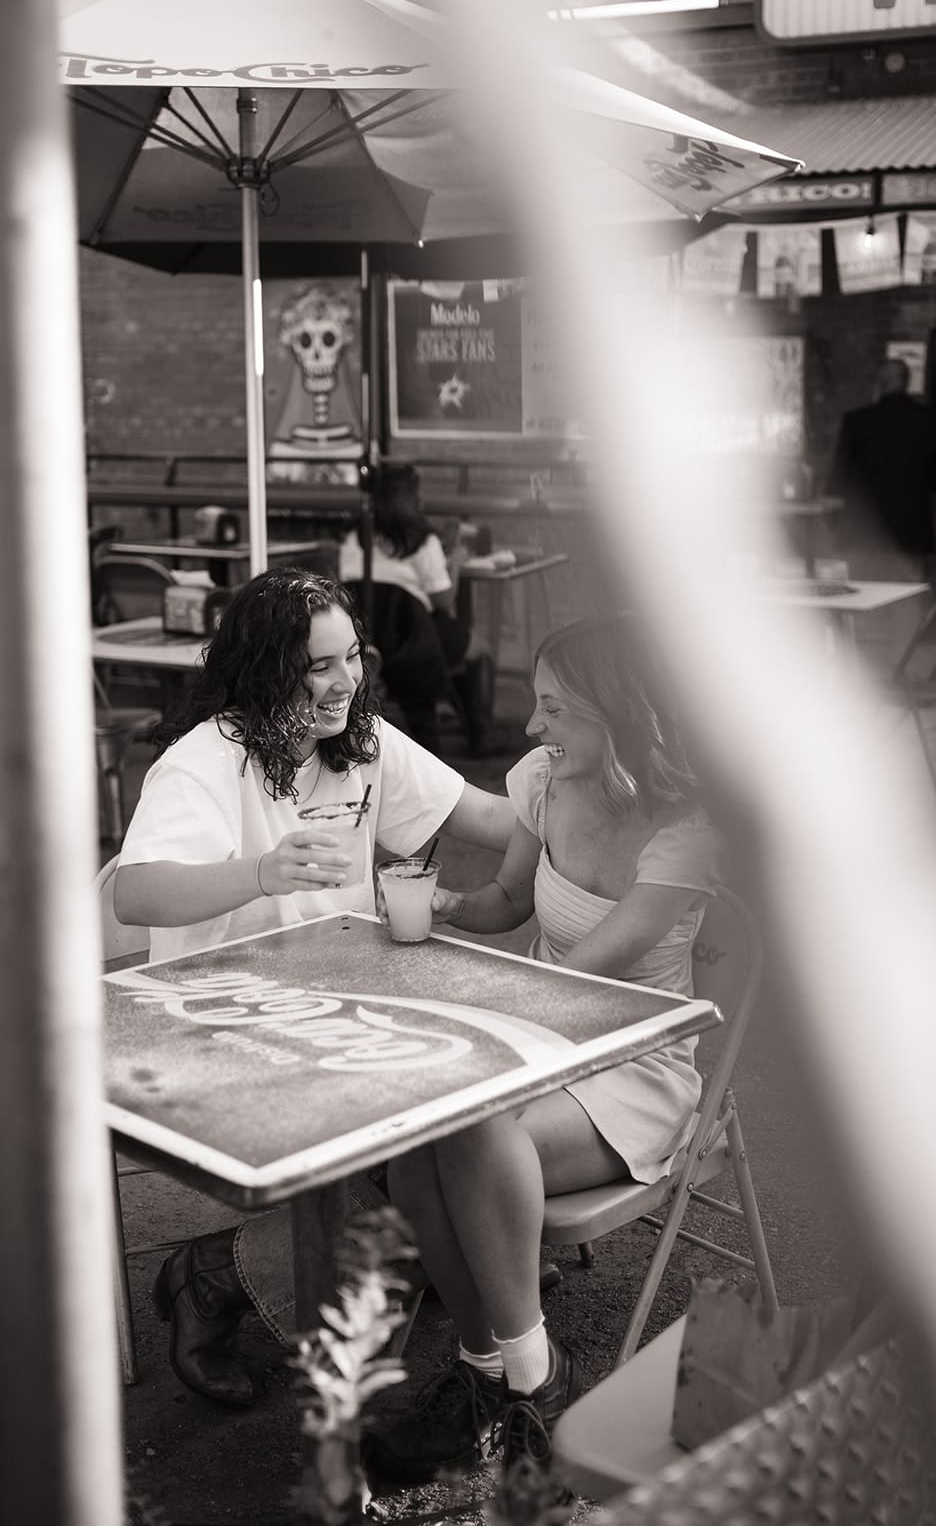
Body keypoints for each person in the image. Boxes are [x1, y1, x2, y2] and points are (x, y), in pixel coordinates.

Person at [114, 567, 515, 1406]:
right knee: (423, 1138)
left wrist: (598, 794)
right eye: (319, 667)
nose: (345, 684)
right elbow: (136, 891)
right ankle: (229, 1278)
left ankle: (227, 1272)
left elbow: (485, 818)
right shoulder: (207, 760)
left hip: (341, 1002)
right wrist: (260, 871)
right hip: (217, 1014)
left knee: (453, 1111)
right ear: (268, 670)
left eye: (353, 660)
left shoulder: (362, 742)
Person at [367, 613, 724, 1487]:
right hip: (541, 1038)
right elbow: (505, 900)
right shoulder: (543, 779)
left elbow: (592, 982)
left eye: (556, 710)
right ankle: (502, 1372)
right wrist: (449, 908)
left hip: (634, 1056)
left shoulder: (687, 829)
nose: (534, 728)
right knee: (421, 1137)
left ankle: (531, 1380)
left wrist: (469, 1017)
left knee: (471, 1120)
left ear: (621, 714)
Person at [340, 464, 495, 752]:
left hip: (365, 638)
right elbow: (444, 601)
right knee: (479, 648)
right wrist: (456, 563)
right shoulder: (422, 539)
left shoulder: (354, 535)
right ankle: (480, 735)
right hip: (416, 641)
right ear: (411, 498)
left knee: (451, 637)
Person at [828, 358, 936, 582]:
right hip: (911, 527)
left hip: (863, 529)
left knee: (864, 596)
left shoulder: (856, 421)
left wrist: (832, 523)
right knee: (907, 599)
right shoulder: (930, 420)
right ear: (907, 383)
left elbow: (839, 476)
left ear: (880, 383)